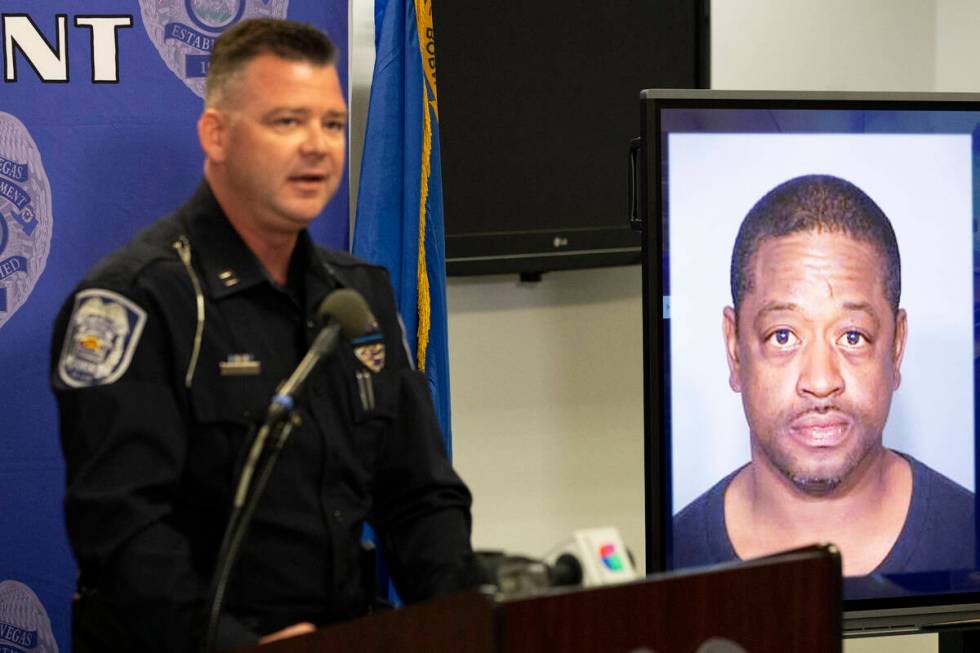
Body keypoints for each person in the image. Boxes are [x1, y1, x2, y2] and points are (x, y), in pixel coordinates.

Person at [50, 18, 473, 652]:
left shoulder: (358, 298)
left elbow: (419, 497)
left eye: (332, 124)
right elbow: (124, 532)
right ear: (215, 135)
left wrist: (468, 621)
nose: (318, 146)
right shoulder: (137, 300)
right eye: (287, 122)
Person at [672, 174, 975, 579]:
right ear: (734, 349)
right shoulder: (674, 563)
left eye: (852, 336)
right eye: (783, 336)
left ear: (897, 346)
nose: (819, 381)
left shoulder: (969, 537)